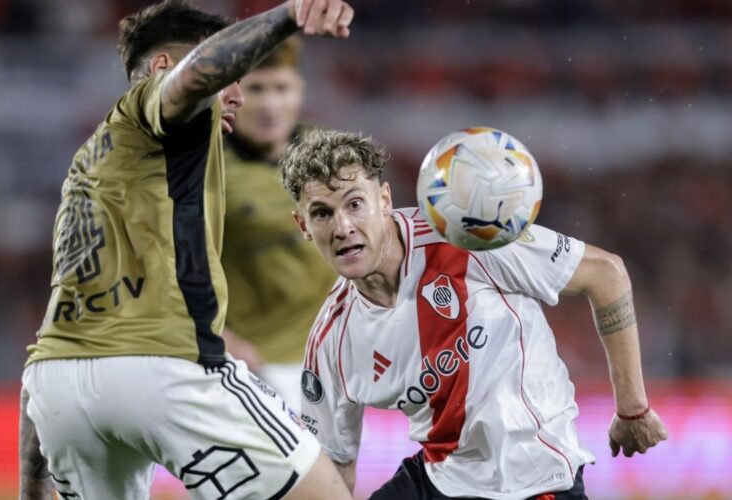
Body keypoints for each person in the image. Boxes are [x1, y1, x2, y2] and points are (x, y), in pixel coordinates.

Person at [18, 1, 355, 499]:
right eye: (235, 77)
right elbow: (192, 78)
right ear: (161, 69)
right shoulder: (151, 109)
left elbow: (56, 335)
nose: (237, 95)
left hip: (56, 393)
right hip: (164, 368)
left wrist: (31, 477)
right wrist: (287, 15)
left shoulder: (91, 165)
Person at [278, 129, 668, 499]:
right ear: (304, 226)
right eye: (322, 213)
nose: (343, 227)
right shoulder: (332, 340)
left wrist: (632, 410)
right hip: (440, 478)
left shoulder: (467, 235)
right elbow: (334, 468)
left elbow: (606, 274)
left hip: (534, 477)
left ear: (383, 200)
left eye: (355, 204)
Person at [222, 36, 338, 410]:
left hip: (328, 356)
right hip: (251, 362)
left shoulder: (332, 151)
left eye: (281, 88)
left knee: (339, 469)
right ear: (231, 95)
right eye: (256, 88)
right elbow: (163, 261)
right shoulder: (206, 167)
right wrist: (214, 336)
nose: (270, 103)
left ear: (299, 91)